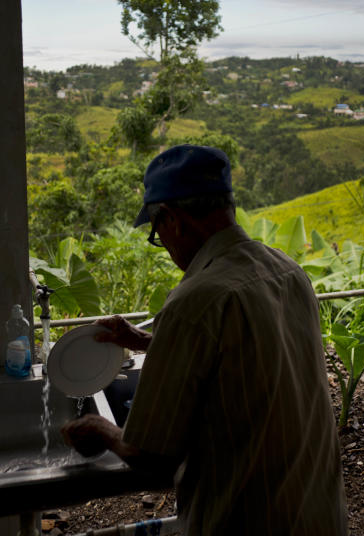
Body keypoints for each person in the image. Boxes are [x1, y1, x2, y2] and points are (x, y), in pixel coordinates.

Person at [61, 144, 347, 535]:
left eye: (156, 232)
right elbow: (245, 352)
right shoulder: (286, 270)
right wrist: (145, 341)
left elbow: (152, 458)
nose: (163, 244)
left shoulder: (194, 301)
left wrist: (101, 430)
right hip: (319, 515)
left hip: (247, 520)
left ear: (174, 220)